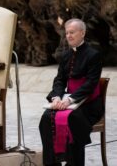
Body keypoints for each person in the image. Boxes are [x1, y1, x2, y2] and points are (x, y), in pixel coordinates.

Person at [39, 18, 104, 166]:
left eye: (72, 32)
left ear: (82, 33)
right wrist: (56, 98)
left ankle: (73, 163)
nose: (68, 36)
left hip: (89, 104)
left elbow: (90, 83)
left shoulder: (93, 55)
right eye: (67, 32)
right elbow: (60, 80)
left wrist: (69, 100)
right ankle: (52, 163)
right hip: (67, 100)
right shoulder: (66, 55)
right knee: (46, 118)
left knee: (73, 119)